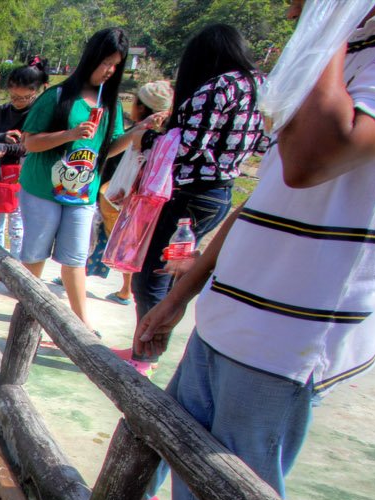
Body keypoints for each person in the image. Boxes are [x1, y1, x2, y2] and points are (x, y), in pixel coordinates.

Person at [133, 0, 375, 500]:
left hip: (292, 330)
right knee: (192, 459)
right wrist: (180, 300)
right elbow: (265, 199)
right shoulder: (359, 41)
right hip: (234, 311)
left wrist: (329, 19)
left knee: (244, 487)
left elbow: (312, 157)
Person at [122, 25, 265, 377]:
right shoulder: (258, 85)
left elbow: (187, 148)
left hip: (187, 196)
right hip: (218, 192)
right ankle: (145, 345)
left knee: (153, 273)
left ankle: (145, 353)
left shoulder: (217, 87)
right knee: (170, 270)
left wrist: (150, 139)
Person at [18, 28, 164, 334]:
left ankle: (81, 324)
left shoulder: (110, 105)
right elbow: (30, 143)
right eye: (105, 62)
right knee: (35, 255)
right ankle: (27, 317)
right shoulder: (57, 97)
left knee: (75, 258)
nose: (109, 70)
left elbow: (107, 149)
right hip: (43, 189)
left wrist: (138, 131)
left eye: (116, 65)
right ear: (92, 59)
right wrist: (70, 134)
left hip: (82, 193)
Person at [86, 80, 173, 306]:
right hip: (131, 197)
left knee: (123, 241)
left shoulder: (143, 134)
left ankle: (125, 289)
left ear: (142, 107)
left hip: (125, 197)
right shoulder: (161, 133)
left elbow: (131, 164)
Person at [0, 63, 49, 259]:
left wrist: (6, 147)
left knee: (18, 229)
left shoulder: (39, 114)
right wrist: (0, 138)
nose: (18, 101)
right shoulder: (1, 113)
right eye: (14, 97)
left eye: (25, 98)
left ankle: (16, 267)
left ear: (35, 92)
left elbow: (31, 146)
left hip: (25, 178)